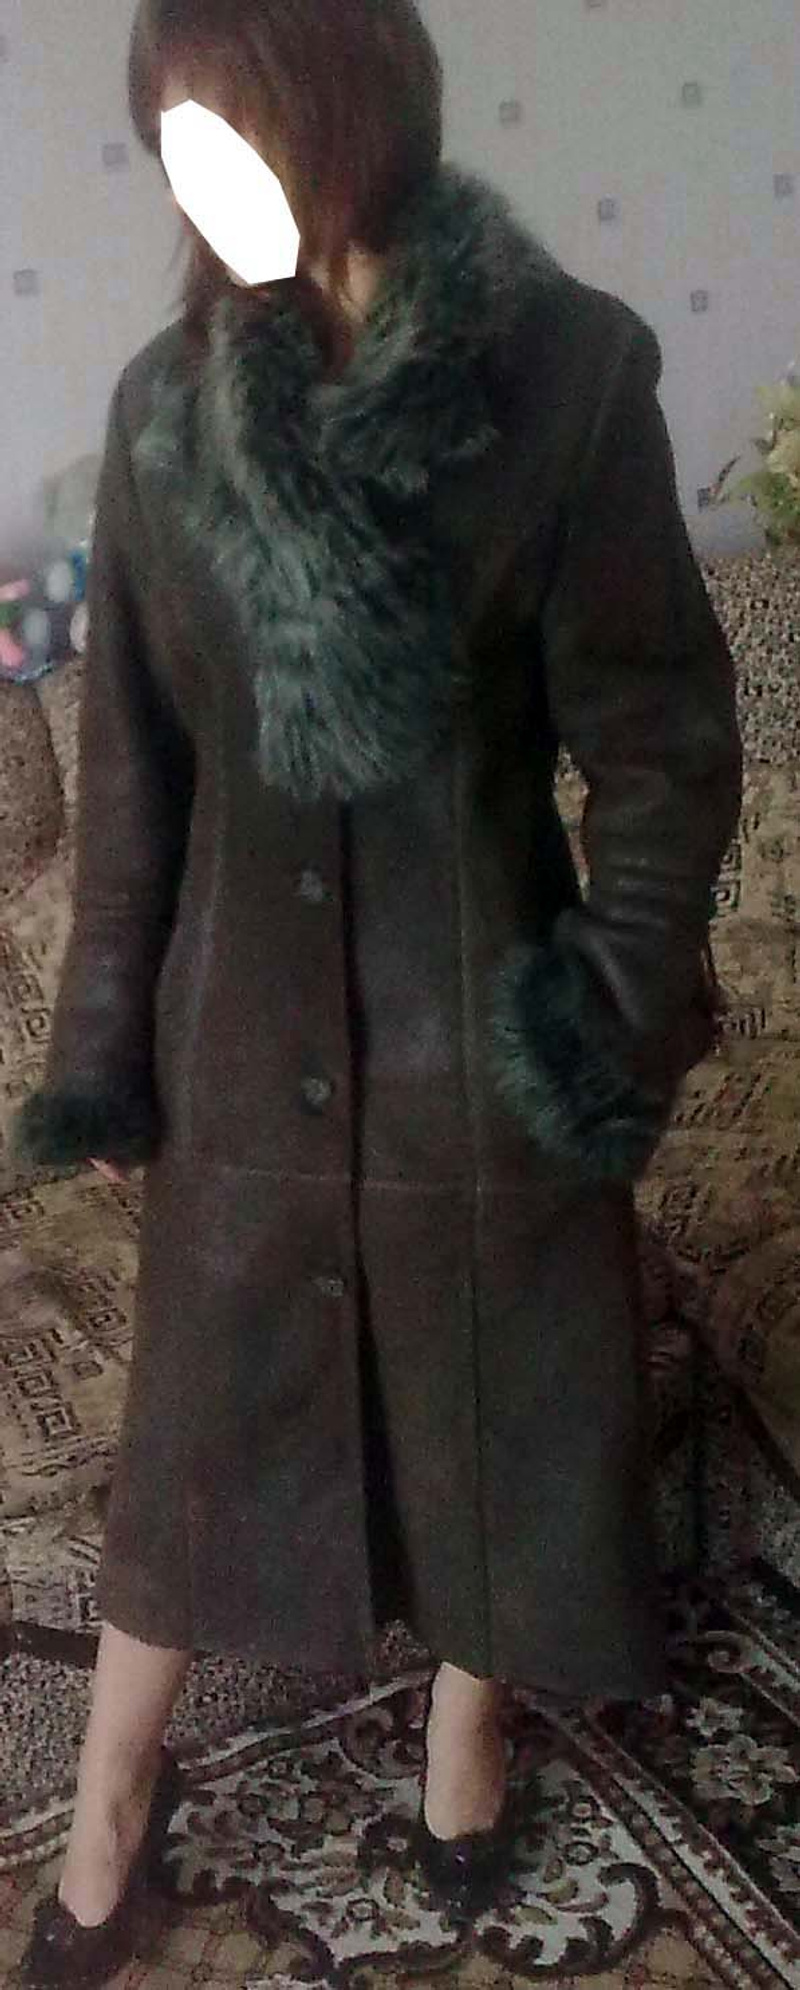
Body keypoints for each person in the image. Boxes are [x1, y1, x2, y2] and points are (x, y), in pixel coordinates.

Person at [11, 0, 743, 1980]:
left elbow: (664, 734)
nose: (198, 177)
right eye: (172, 138)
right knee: (181, 1477)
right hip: (239, 1060)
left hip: (478, 1059)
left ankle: (462, 1751)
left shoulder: (567, 377)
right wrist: (104, 1059)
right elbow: (135, 785)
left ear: (350, 104)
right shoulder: (164, 416)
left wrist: (602, 1011)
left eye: (230, 127)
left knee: (506, 1439)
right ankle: (107, 1813)